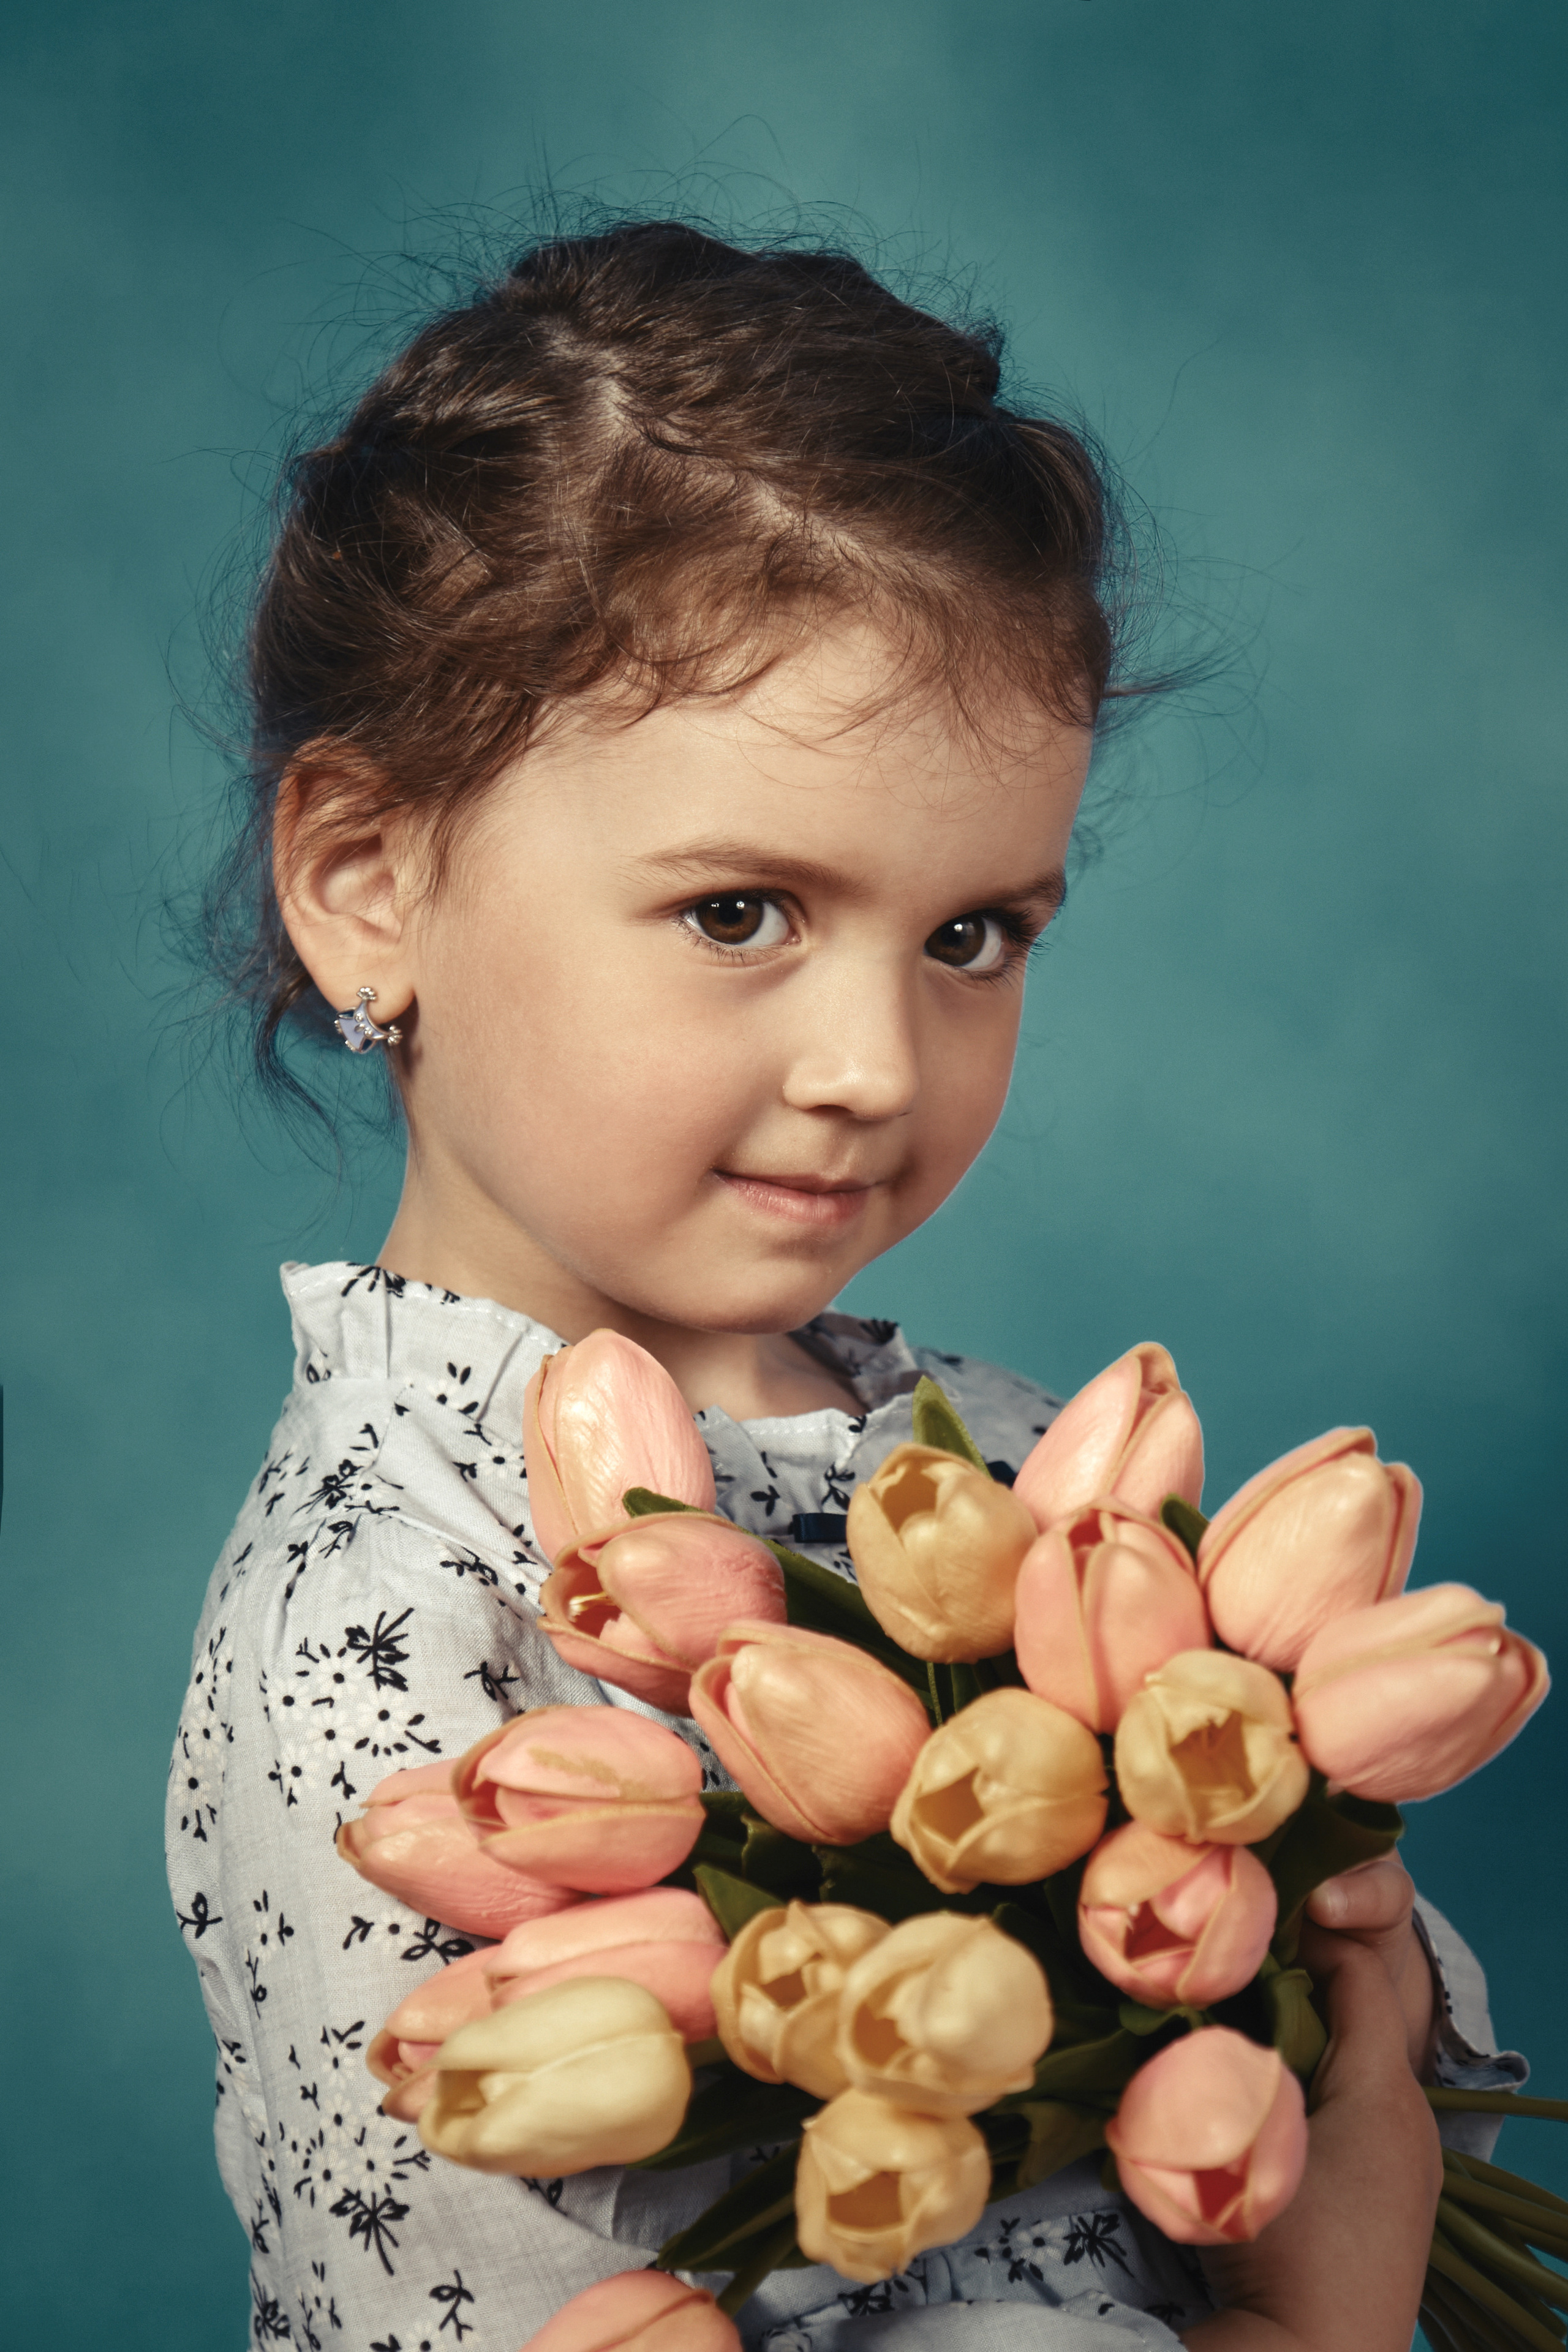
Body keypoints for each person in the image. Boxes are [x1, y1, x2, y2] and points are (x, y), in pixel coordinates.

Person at [167, 222, 1521, 2352]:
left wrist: (1324, 1917)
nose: (877, 1067)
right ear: (367, 885)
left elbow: (1350, 2025)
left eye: (976, 936)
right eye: (738, 913)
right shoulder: (381, 1614)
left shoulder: (992, 1447)